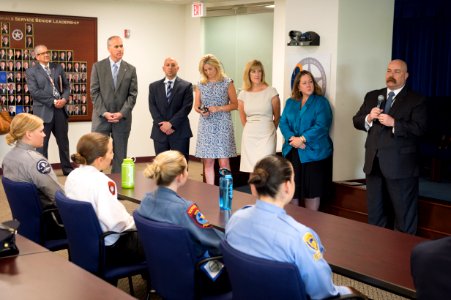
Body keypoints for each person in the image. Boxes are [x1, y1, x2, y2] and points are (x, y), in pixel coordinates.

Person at [225, 155, 365, 300]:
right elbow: (323, 292)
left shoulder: (235, 220)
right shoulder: (298, 237)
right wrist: (348, 290)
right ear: (287, 186)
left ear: (253, 187)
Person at [137, 150, 230, 294]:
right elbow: (215, 244)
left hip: (163, 270)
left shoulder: (145, 201)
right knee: (241, 271)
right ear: (180, 176)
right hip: (198, 273)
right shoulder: (185, 209)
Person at [352, 59, 427, 234]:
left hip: (401, 167)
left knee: (404, 216)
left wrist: (395, 123)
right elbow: (356, 120)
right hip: (374, 164)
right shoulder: (373, 96)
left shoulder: (416, 100)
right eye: (388, 71)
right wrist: (368, 118)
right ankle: (376, 254)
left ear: (406, 76)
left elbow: (420, 129)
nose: (391, 75)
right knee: (375, 214)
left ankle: (402, 256)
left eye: (396, 72)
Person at [65, 132, 145, 266]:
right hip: (109, 247)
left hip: (82, 242)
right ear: (99, 159)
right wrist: (140, 224)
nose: (113, 156)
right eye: (110, 152)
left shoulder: (73, 176)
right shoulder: (102, 182)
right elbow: (117, 223)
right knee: (157, 240)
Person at [2, 113, 66, 239]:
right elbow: (58, 196)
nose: (44, 134)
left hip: (26, 222)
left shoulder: (7, 158)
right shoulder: (36, 161)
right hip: (51, 223)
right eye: (41, 131)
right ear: (29, 134)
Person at [279, 70, 333, 211]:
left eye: (310, 82)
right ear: (298, 87)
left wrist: (302, 139)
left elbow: (322, 126)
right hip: (293, 152)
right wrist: (292, 139)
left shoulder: (321, 102)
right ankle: (295, 226)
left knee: (312, 192)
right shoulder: (290, 102)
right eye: (304, 83)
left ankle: (311, 226)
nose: (308, 85)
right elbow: (283, 122)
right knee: (293, 191)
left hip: (314, 154)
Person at [90, 35, 137, 173]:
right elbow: (94, 92)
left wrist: (121, 113)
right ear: (108, 48)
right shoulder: (98, 67)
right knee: (98, 153)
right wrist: (104, 112)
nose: (120, 49)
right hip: (101, 118)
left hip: (122, 119)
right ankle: (97, 185)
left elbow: (132, 95)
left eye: (121, 46)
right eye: (116, 46)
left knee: (120, 155)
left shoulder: (130, 69)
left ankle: (117, 188)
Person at [26, 44, 74, 176]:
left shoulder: (57, 67)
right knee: (41, 145)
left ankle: (67, 169)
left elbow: (66, 86)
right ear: (37, 56)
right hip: (43, 112)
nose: (47, 54)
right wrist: (53, 101)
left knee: (63, 143)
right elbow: (35, 92)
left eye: (48, 52)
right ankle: (43, 172)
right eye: (43, 53)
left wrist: (64, 99)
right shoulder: (31, 72)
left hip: (60, 111)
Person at [194, 54, 238, 185]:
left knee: (224, 162)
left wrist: (219, 108)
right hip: (206, 125)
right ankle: (210, 192)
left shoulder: (227, 82)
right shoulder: (200, 84)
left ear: (217, 67)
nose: (208, 72)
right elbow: (196, 106)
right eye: (205, 70)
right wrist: (201, 110)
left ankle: (226, 192)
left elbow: (235, 104)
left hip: (223, 124)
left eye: (210, 69)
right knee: (208, 162)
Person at [238, 59, 280, 173]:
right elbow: (243, 119)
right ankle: (254, 191)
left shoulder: (271, 91)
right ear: (248, 74)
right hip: (250, 135)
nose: (257, 74)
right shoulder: (242, 94)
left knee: (266, 169)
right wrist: (252, 128)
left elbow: (277, 117)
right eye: (253, 71)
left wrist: (270, 130)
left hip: (267, 134)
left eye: (259, 71)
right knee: (252, 170)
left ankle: (266, 191)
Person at [148, 57, 193, 160]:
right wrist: (163, 125)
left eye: (173, 65)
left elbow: (186, 108)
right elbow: (152, 107)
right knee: (161, 165)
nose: (170, 67)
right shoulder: (153, 86)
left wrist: (171, 124)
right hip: (160, 131)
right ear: (163, 68)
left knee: (181, 164)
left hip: (180, 131)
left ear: (178, 68)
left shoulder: (186, 86)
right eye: (167, 65)